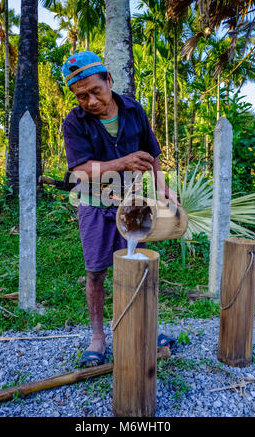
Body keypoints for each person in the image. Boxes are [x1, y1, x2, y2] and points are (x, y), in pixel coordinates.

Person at [62, 51, 179, 367]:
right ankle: (98, 337)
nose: (91, 101)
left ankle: (147, 327)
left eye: (95, 91)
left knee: (138, 267)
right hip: (95, 206)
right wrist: (122, 162)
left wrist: (163, 188)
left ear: (109, 81)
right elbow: (80, 171)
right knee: (96, 272)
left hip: (132, 206)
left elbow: (152, 151)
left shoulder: (132, 110)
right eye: (81, 96)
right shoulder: (74, 122)